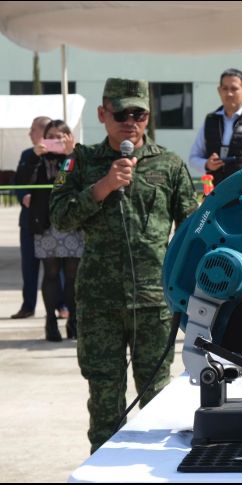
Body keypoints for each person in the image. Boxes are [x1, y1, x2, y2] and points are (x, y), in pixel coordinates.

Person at [50, 78, 198, 453]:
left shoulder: (170, 164)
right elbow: (59, 218)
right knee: (105, 399)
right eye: (121, 114)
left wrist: (184, 287)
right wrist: (102, 187)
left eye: (139, 114)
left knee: (157, 401)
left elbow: (193, 230)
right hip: (99, 303)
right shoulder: (79, 161)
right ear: (103, 114)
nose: (130, 121)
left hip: (153, 302)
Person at [25, 119, 83, 341]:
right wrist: (35, 156)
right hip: (46, 224)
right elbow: (23, 181)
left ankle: (73, 320)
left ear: (69, 137)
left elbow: (80, 181)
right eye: (51, 137)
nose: (56, 141)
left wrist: (71, 155)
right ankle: (50, 321)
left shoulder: (78, 157)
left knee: (72, 275)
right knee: (50, 273)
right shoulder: (36, 157)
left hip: (72, 223)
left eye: (60, 137)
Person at [188, 68, 242, 195]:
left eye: (234, 89)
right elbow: (193, 158)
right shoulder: (210, 120)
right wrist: (207, 164)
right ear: (219, 91)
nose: (229, 93)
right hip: (216, 199)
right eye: (225, 88)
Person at [10, 116, 50, 320]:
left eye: (33, 130)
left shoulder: (59, 155)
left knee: (56, 269)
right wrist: (23, 195)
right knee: (29, 267)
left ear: (43, 132)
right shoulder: (27, 154)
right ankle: (28, 306)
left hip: (51, 222)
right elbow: (18, 181)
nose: (29, 133)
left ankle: (62, 306)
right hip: (28, 221)